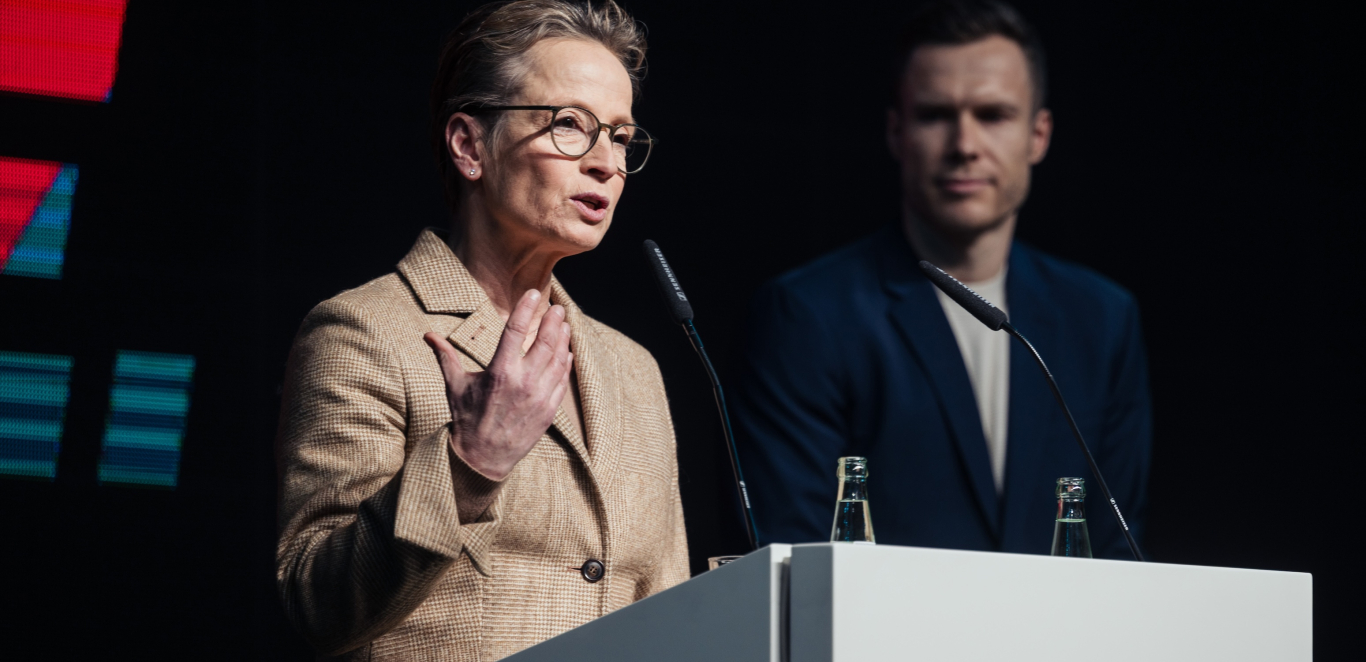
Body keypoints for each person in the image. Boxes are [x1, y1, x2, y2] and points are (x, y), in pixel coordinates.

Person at [273, 2, 686, 659]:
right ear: (469, 146)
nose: (606, 163)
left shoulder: (635, 370)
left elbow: (671, 612)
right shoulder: (365, 332)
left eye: (619, 135)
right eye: (571, 126)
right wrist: (469, 465)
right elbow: (316, 602)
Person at [733, 0, 1152, 558]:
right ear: (896, 132)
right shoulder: (806, 315)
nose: (964, 145)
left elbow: (1118, 556)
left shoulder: (1102, 318)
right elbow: (793, 563)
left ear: (1039, 134)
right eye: (936, 115)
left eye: (994, 114)